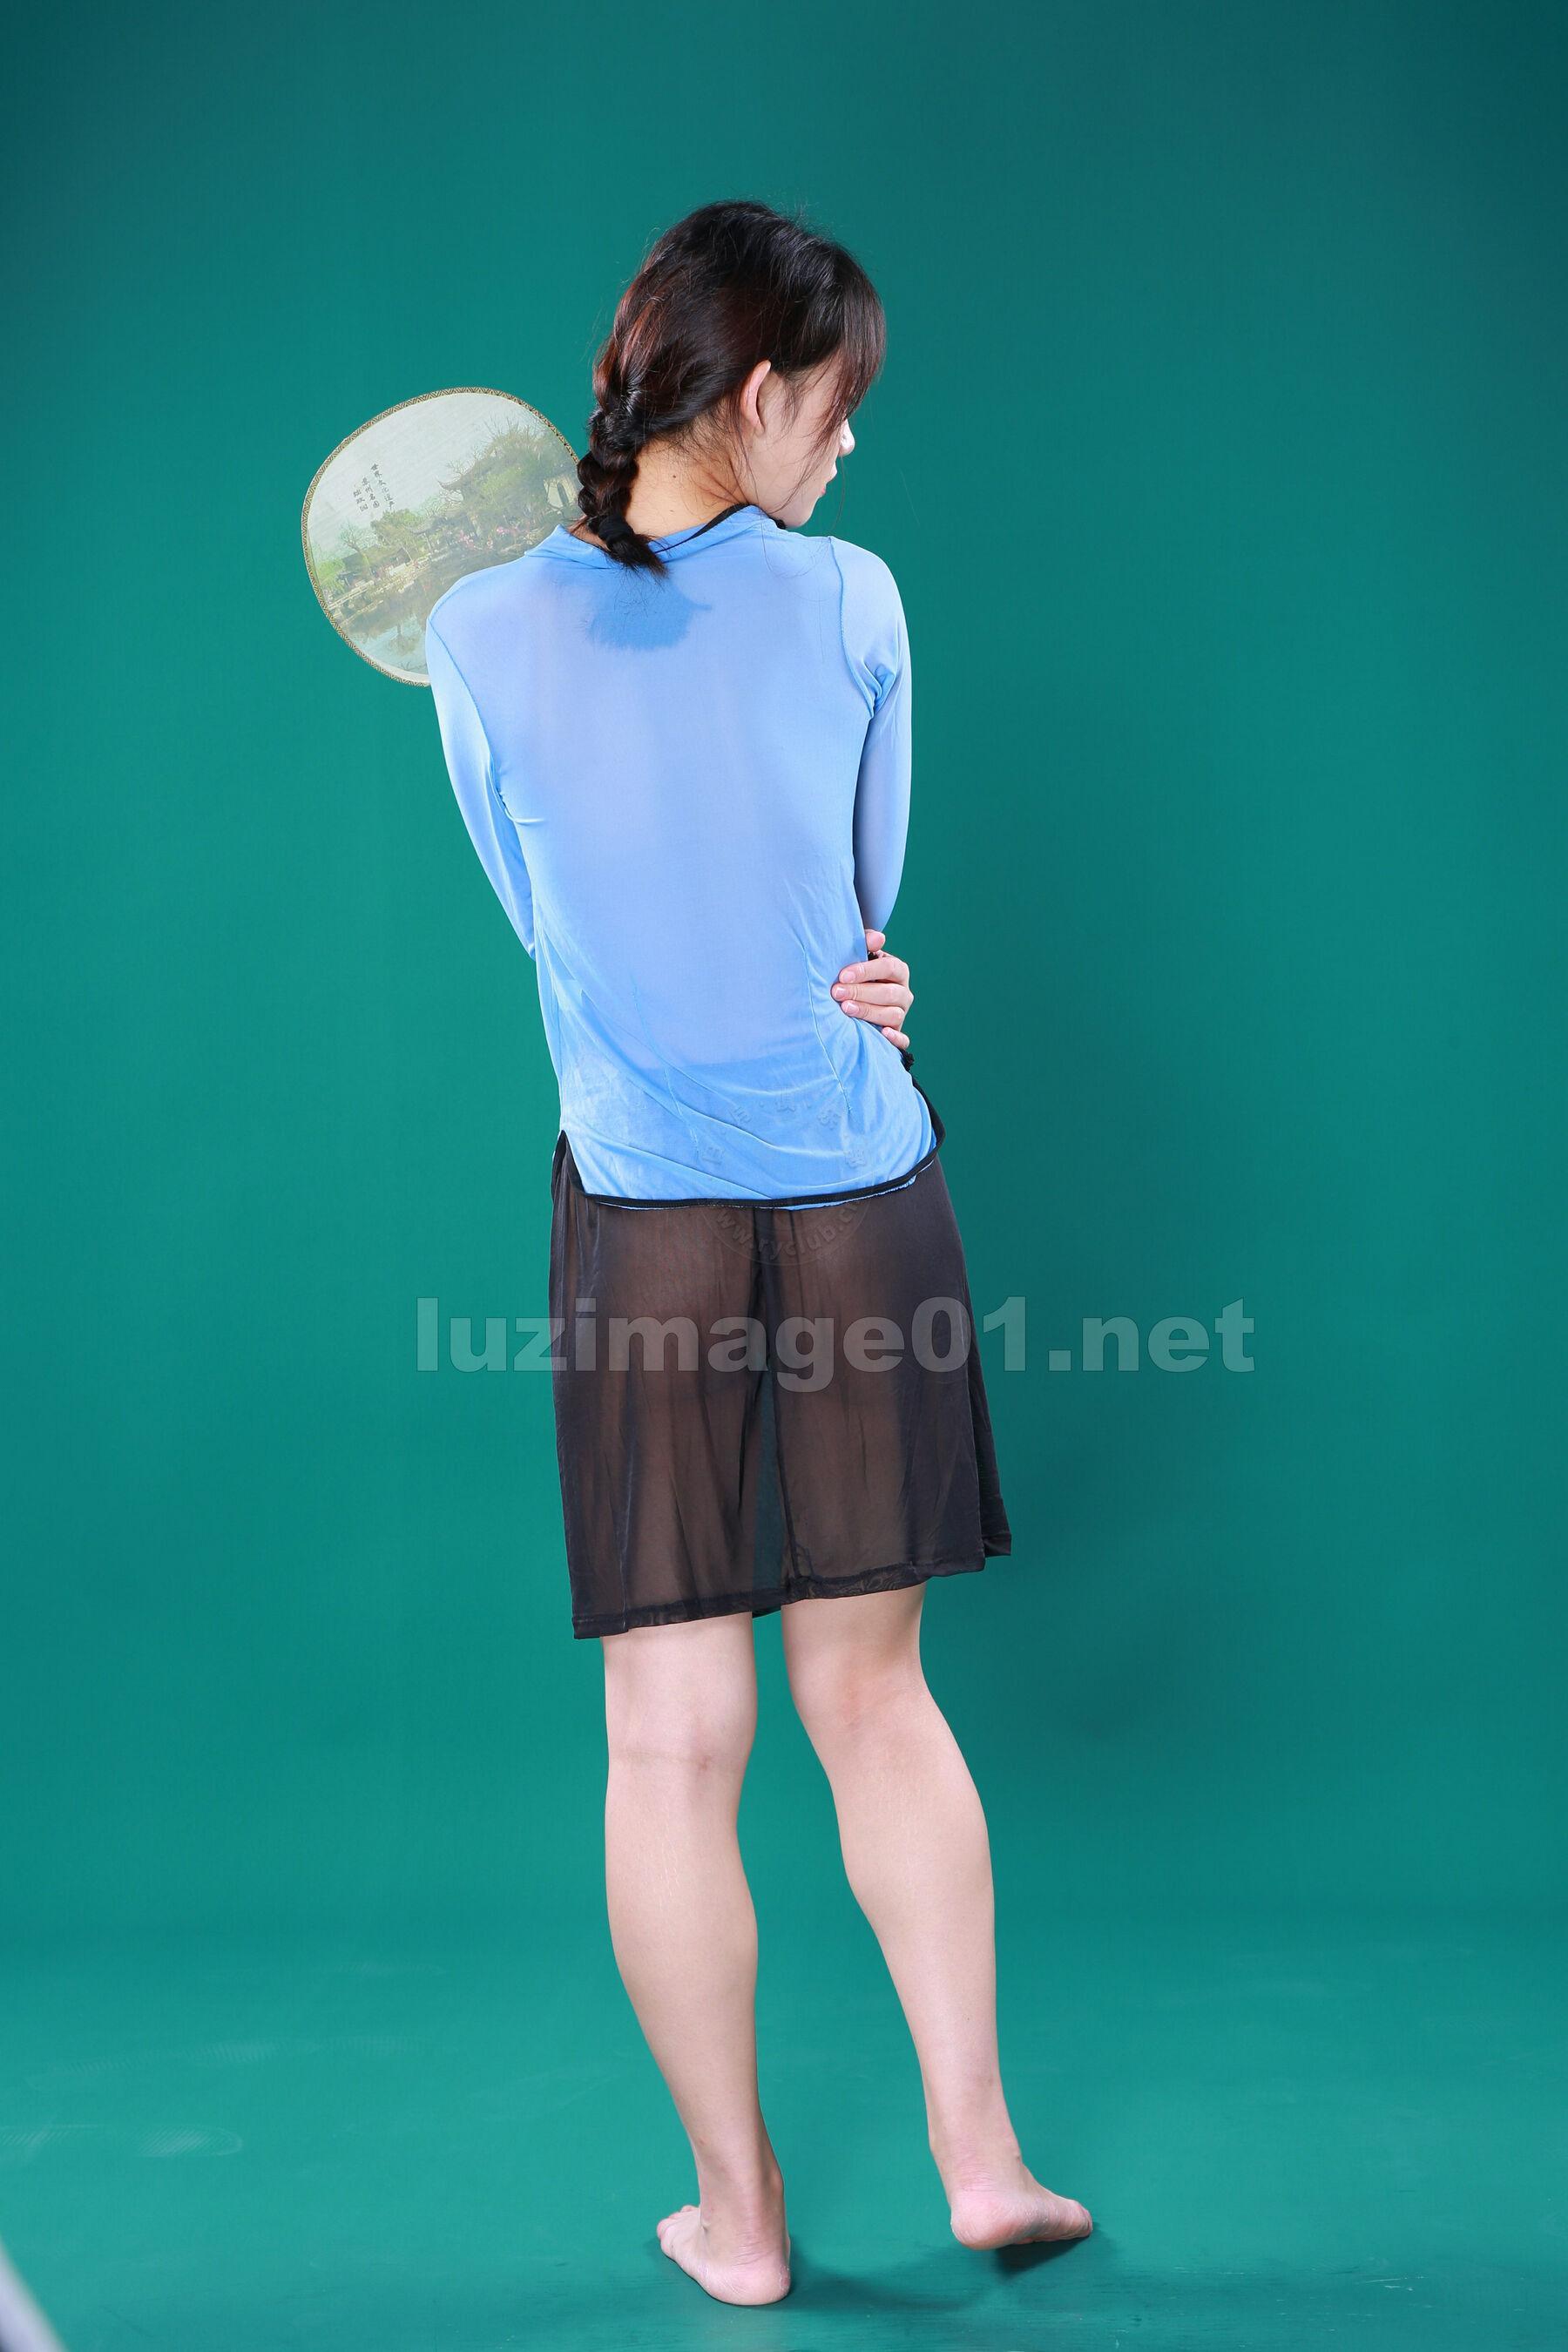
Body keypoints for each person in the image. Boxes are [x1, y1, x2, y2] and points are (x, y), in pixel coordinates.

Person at [424, 198, 1092, 2307]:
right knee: (876, 1702)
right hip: (862, 1189)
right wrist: (842, 982)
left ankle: (742, 2218)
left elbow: (543, 921)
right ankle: (984, 2160)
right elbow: (862, 906)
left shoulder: (479, 636)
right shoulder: (851, 601)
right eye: (842, 403)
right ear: (763, 387)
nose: (853, 446)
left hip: (648, 1219)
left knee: (670, 1740)